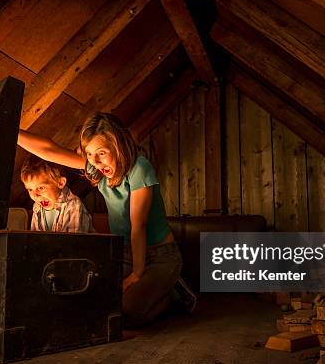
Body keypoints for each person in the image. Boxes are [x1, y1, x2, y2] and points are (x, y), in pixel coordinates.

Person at [18, 112, 196, 327]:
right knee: (94, 302)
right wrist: (12, 132)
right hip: (126, 254)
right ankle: (151, 291)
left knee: (128, 312)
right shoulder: (98, 168)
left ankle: (175, 295)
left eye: (101, 153)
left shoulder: (139, 169)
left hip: (160, 256)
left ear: (118, 145)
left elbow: (138, 226)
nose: (95, 161)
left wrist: (137, 275)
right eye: (90, 154)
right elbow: (50, 150)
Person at [21, 155, 94, 233]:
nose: (35, 195)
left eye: (41, 188)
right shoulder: (37, 206)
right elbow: (34, 237)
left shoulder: (73, 205)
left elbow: (71, 243)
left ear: (60, 183)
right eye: (30, 189)